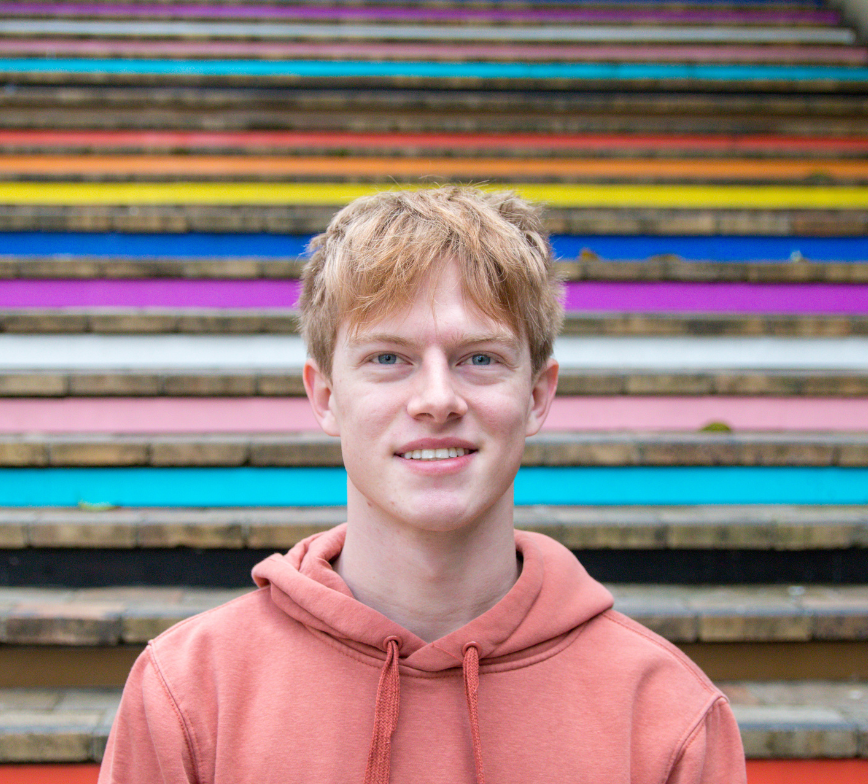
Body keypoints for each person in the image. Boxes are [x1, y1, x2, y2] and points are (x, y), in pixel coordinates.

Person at [99, 187, 746, 783]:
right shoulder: (187, 690)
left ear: (538, 395)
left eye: (480, 358)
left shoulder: (668, 713)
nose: (438, 399)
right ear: (324, 395)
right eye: (389, 358)